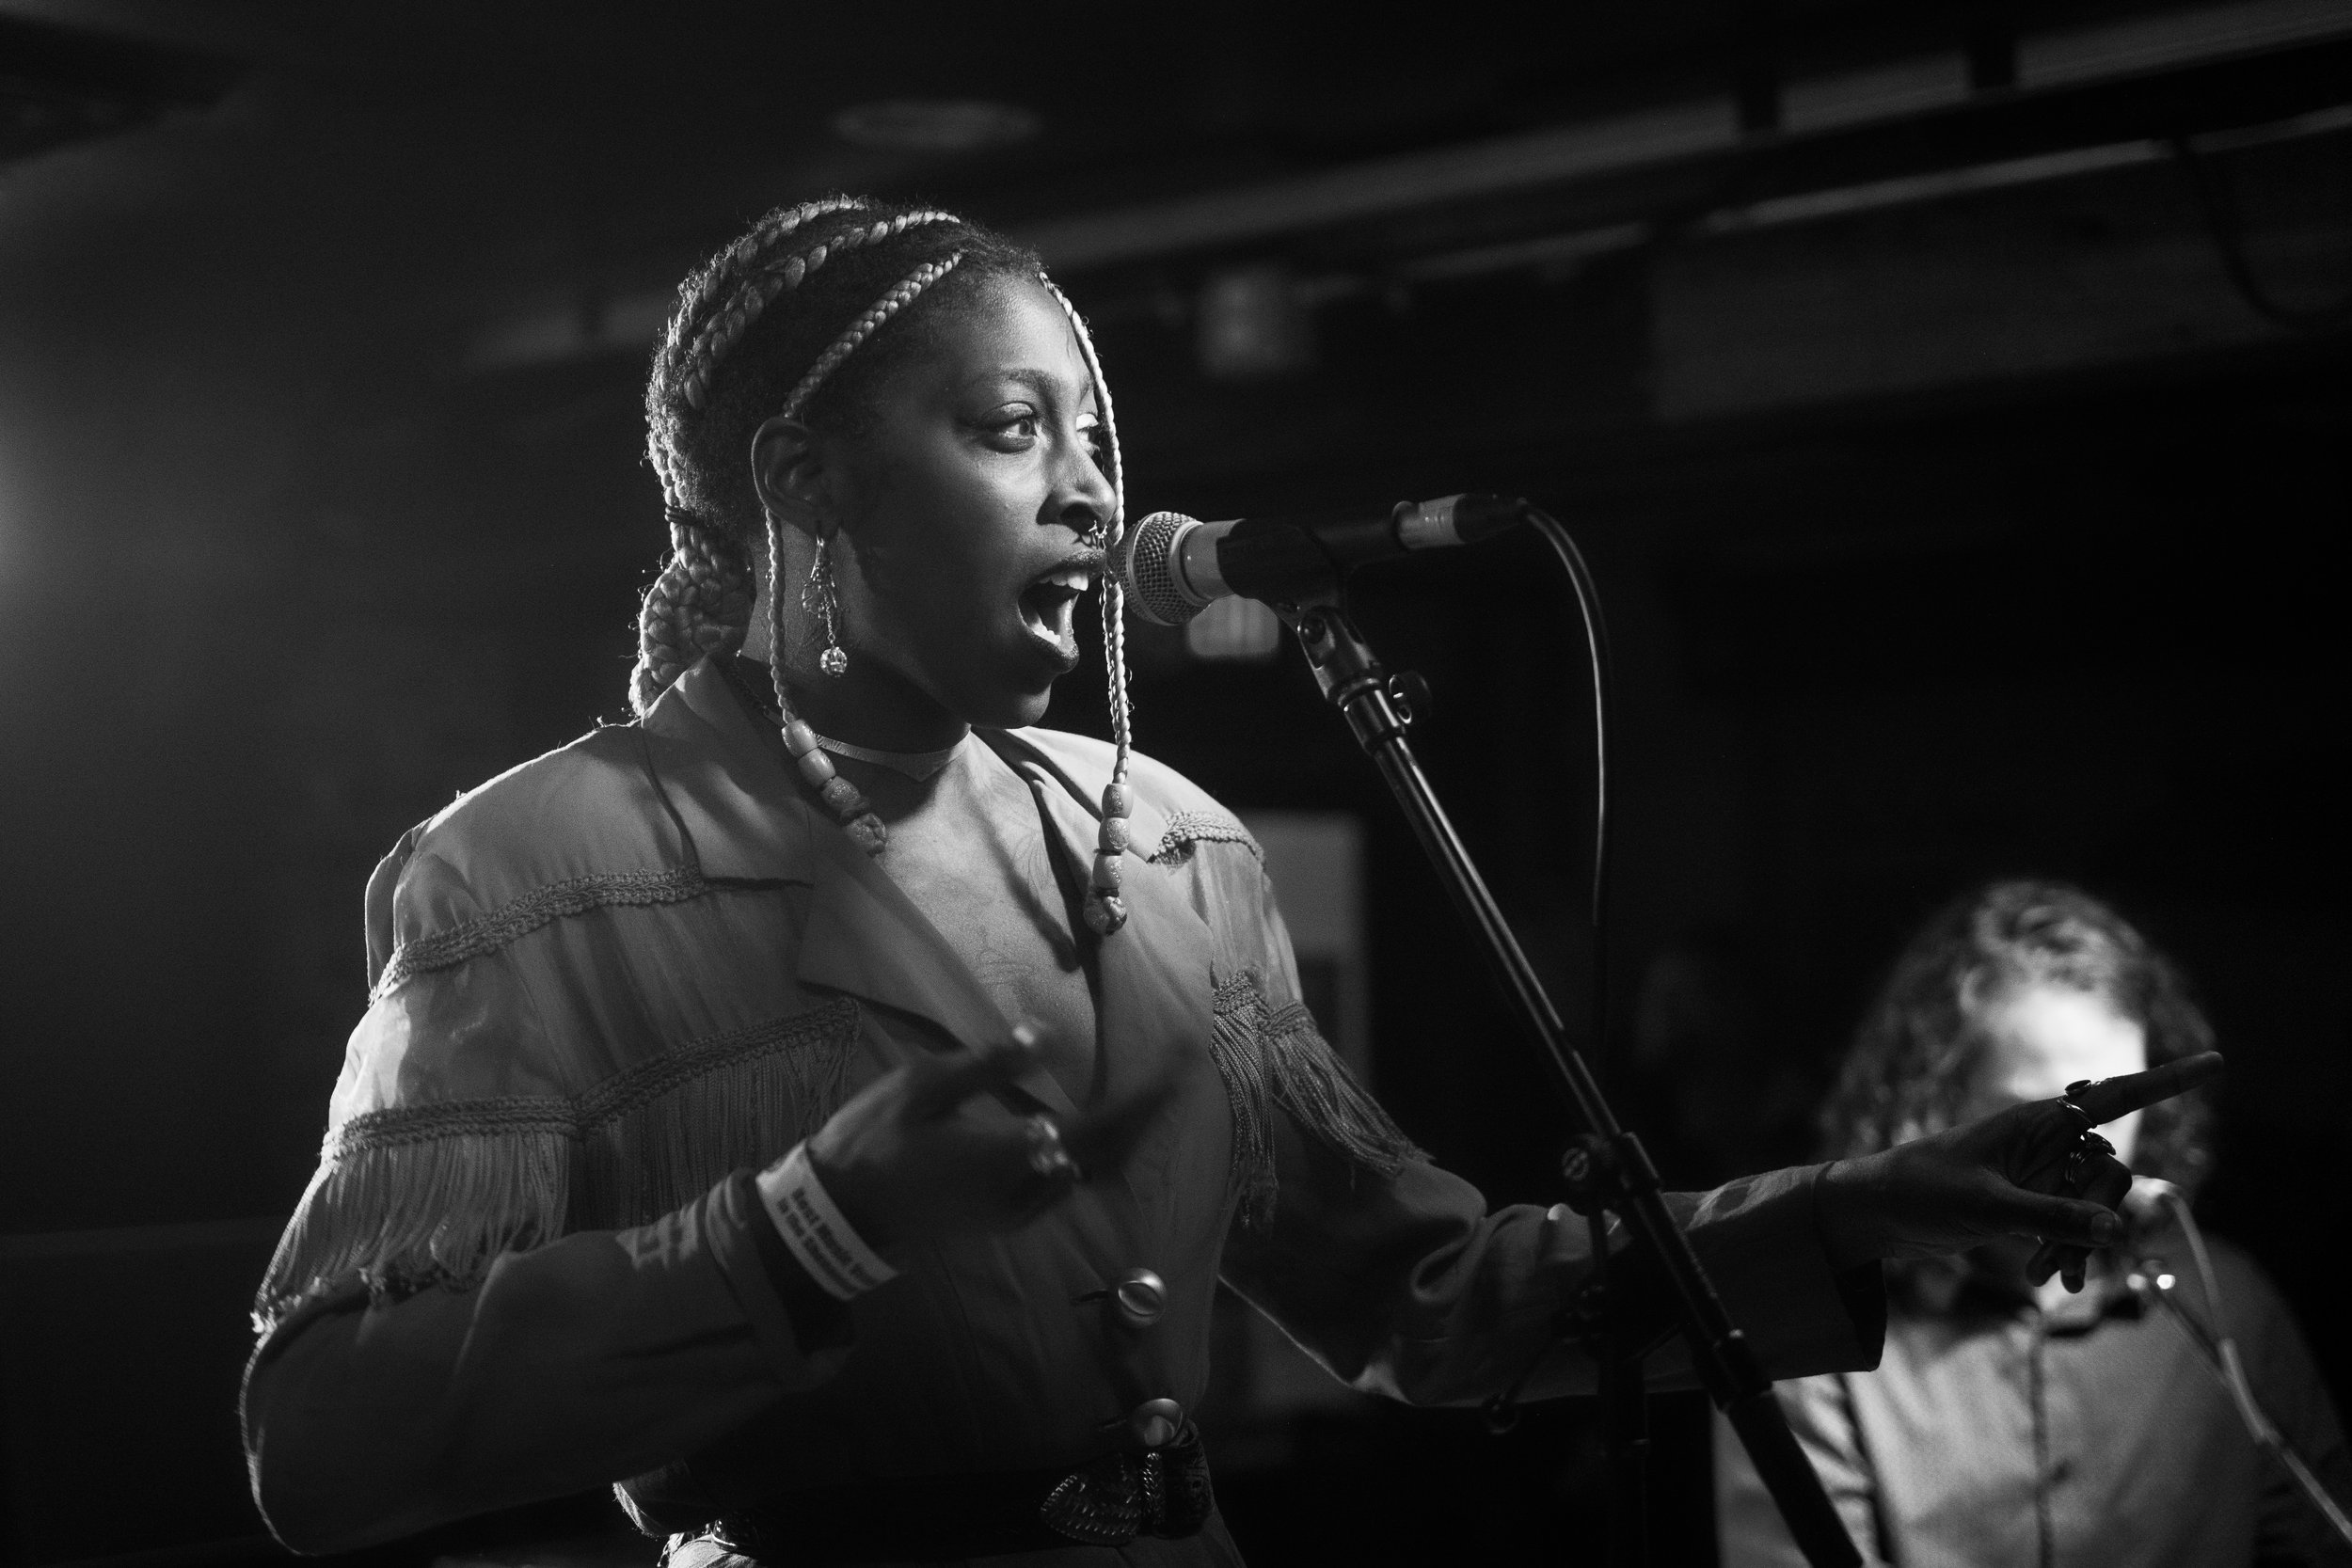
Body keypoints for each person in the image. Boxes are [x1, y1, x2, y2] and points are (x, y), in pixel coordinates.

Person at [238, 198, 2208, 1567]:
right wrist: (803, 1227)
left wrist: (1835, 1212)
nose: (1093, 487)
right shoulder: (526, 874)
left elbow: (1424, 1296)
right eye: (1011, 428)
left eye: (1097, 436)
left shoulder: (1171, 847)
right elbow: (323, 1435)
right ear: (808, 484)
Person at [1716, 879, 2350, 1568]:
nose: (2091, 1153)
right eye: (2045, 1117)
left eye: (2120, 1103)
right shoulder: (1820, 1343)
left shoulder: (2230, 1308)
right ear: (1935, 1108)